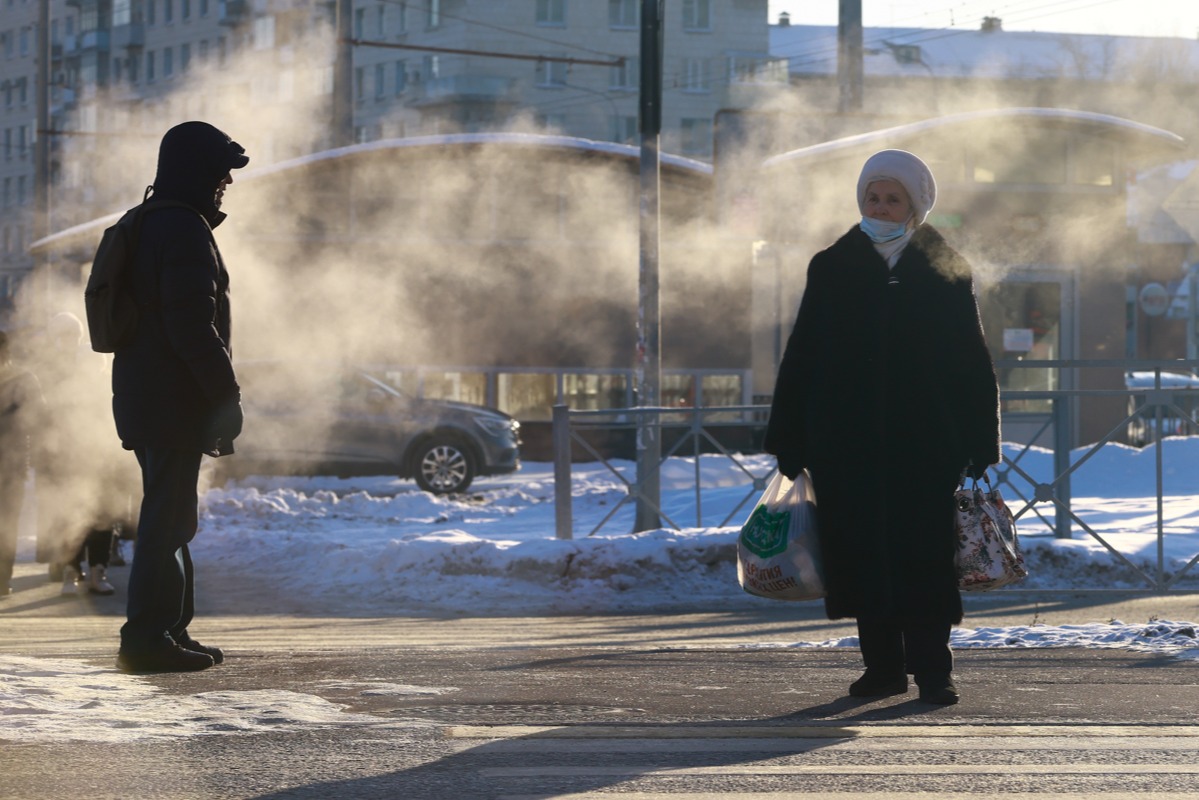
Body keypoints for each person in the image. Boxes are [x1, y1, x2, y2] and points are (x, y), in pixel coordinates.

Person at [763, 149, 1000, 705]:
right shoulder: (832, 265)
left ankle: (934, 672)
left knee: (922, 555)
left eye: (893, 198)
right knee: (861, 553)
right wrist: (789, 436)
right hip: (845, 442)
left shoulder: (946, 268)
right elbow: (803, 355)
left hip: (926, 443)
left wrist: (977, 440)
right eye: (873, 196)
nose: (881, 206)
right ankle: (882, 670)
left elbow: (971, 359)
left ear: (915, 207)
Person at [112, 121, 248, 673]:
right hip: (171, 401)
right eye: (221, 172)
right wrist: (226, 396)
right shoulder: (183, 230)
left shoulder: (149, 222)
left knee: (172, 517)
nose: (226, 184)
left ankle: (168, 629)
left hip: (149, 396)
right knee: (165, 520)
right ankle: (145, 638)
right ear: (195, 170)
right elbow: (193, 327)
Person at [33, 311, 122, 597]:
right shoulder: (47, 371)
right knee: (67, 512)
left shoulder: (95, 364)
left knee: (102, 513)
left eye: (71, 334)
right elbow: (41, 417)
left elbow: (110, 407)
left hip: (98, 451)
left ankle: (98, 569)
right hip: (64, 454)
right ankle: (71, 570)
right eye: (61, 335)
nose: (67, 341)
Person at [0, 329, 45, 598]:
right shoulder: (24, 378)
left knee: (6, 522)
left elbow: (39, 420)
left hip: (11, 465)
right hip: (13, 464)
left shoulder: (24, 379)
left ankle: (2, 577)